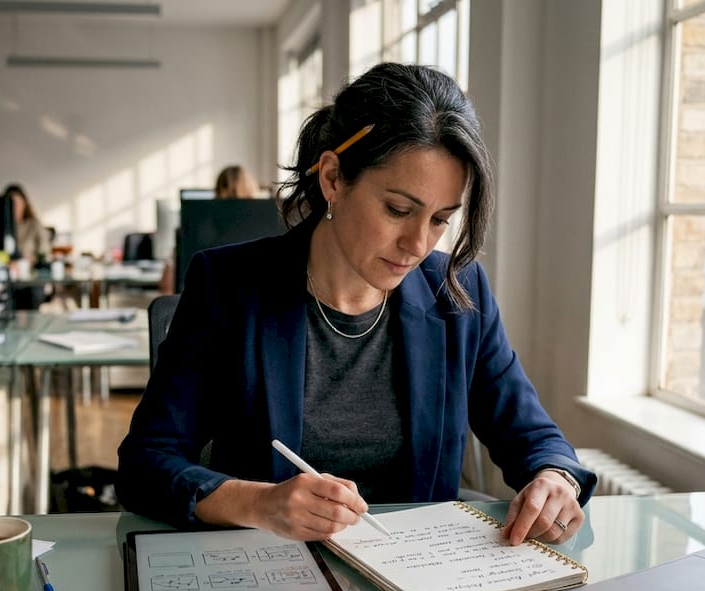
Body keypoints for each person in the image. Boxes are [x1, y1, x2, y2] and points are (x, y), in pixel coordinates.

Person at [118, 63, 597, 545]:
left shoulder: (456, 291)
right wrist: (260, 503)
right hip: (269, 570)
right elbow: (145, 464)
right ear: (332, 178)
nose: (417, 244)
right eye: (398, 210)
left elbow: (534, 437)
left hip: (416, 583)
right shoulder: (228, 286)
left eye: (439, 220)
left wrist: (554, 478)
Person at [4, 183, 50, 265]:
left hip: (28, 272)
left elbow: (45, 253)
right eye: (11, 204)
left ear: (24, 204)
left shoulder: (34, 225)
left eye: (17, 204)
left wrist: (30, 260)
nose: (14, 208)